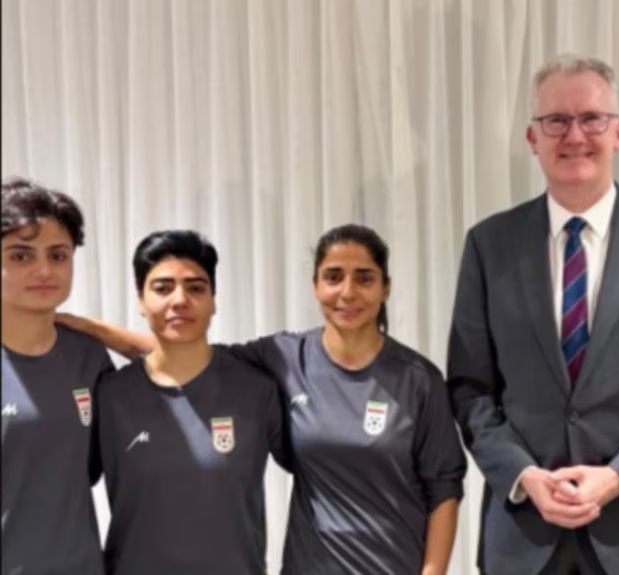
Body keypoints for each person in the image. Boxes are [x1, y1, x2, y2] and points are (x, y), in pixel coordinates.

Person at [447, 54, 619, 575]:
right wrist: (524, 475)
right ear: (532, 138)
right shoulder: (489, 246)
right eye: (556, 120)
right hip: (524, 536)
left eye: (592, 119)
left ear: (618, 132)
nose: (574, 135)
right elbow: (470, 390)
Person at [60, 224, 466, 575]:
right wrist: (89, 329)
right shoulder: (284, 358)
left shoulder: (418, 378)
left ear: (385, 287)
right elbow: (185, 351)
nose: (347, 292)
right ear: (315, 285)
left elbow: (444, 488)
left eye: (364, 278)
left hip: (394, 563)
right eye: (333, 277)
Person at [97, 230, 288, 574]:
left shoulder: (257, 390)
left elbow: (320, 474)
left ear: (214, 300)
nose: (180, 300)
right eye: (162, 288)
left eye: (196, 288)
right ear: (140, 300)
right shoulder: (109, 395)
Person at [1, 177, 113, 575]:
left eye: (58, 255)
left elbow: (186, 364)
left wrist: (101, 331)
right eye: (21, 256)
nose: (44, 270)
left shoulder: (89, 356)